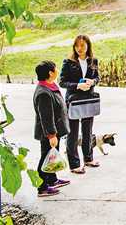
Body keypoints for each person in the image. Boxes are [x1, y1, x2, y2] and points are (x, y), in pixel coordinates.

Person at [60, 35, 100, 174]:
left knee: (87, 131)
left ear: (88, 45)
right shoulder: (68, 62)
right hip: (74, 100)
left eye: (82, 45)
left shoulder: (93, 60)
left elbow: (97, 77)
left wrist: (92, 82)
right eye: (77, 45)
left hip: (88, 99)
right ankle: (74, 164)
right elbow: (62, 82)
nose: (79, 48)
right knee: (73, 133)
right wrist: (77, 85)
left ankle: (88, 159)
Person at [33, 60, 71, 197]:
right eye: (55, 69)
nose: (57, 71)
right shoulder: (43, 93)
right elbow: (46, 117)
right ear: (50, 73)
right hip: (48, 132)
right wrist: (51, 135)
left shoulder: (50, 86)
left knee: (52, 155)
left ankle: (52, 180)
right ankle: (42, 187)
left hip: (55, 130)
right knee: (46, 157)